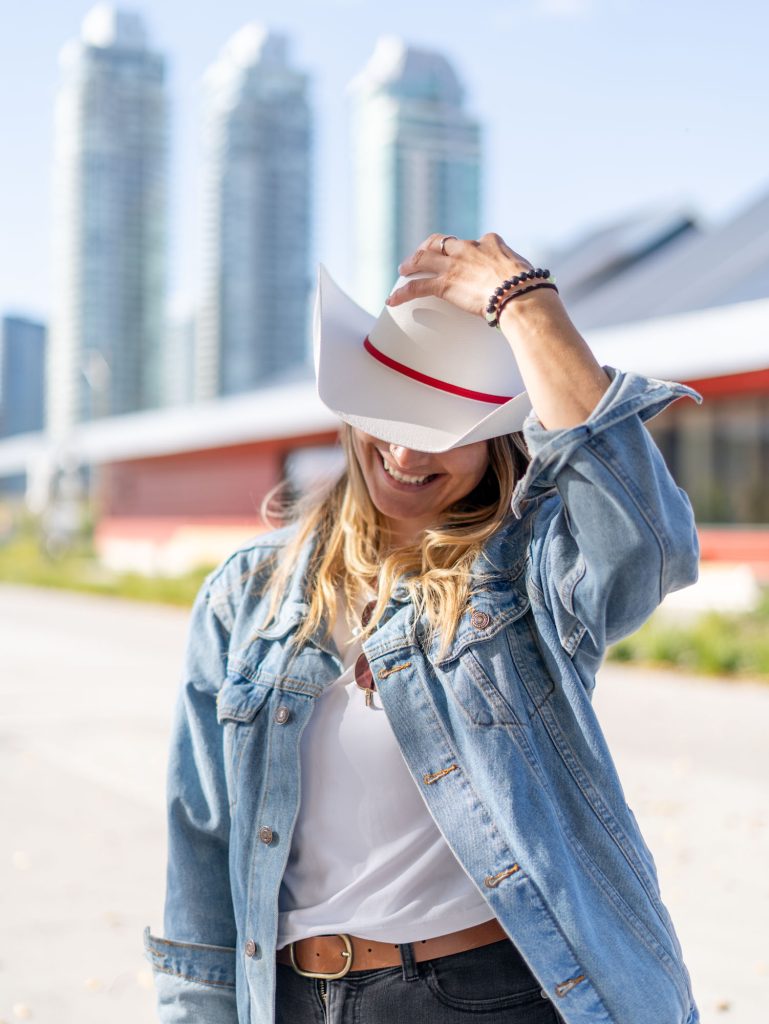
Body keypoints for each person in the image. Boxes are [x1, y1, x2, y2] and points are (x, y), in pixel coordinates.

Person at [144, 232, 701, 1024]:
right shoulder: (248, 592)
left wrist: (526, 303)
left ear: (495, 441)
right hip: (297, 1001)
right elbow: (202, 839)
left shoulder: (526, 574)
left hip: (491, 995)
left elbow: (647, 547)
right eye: (391, 413)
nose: (406, 451)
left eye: (444, 429)